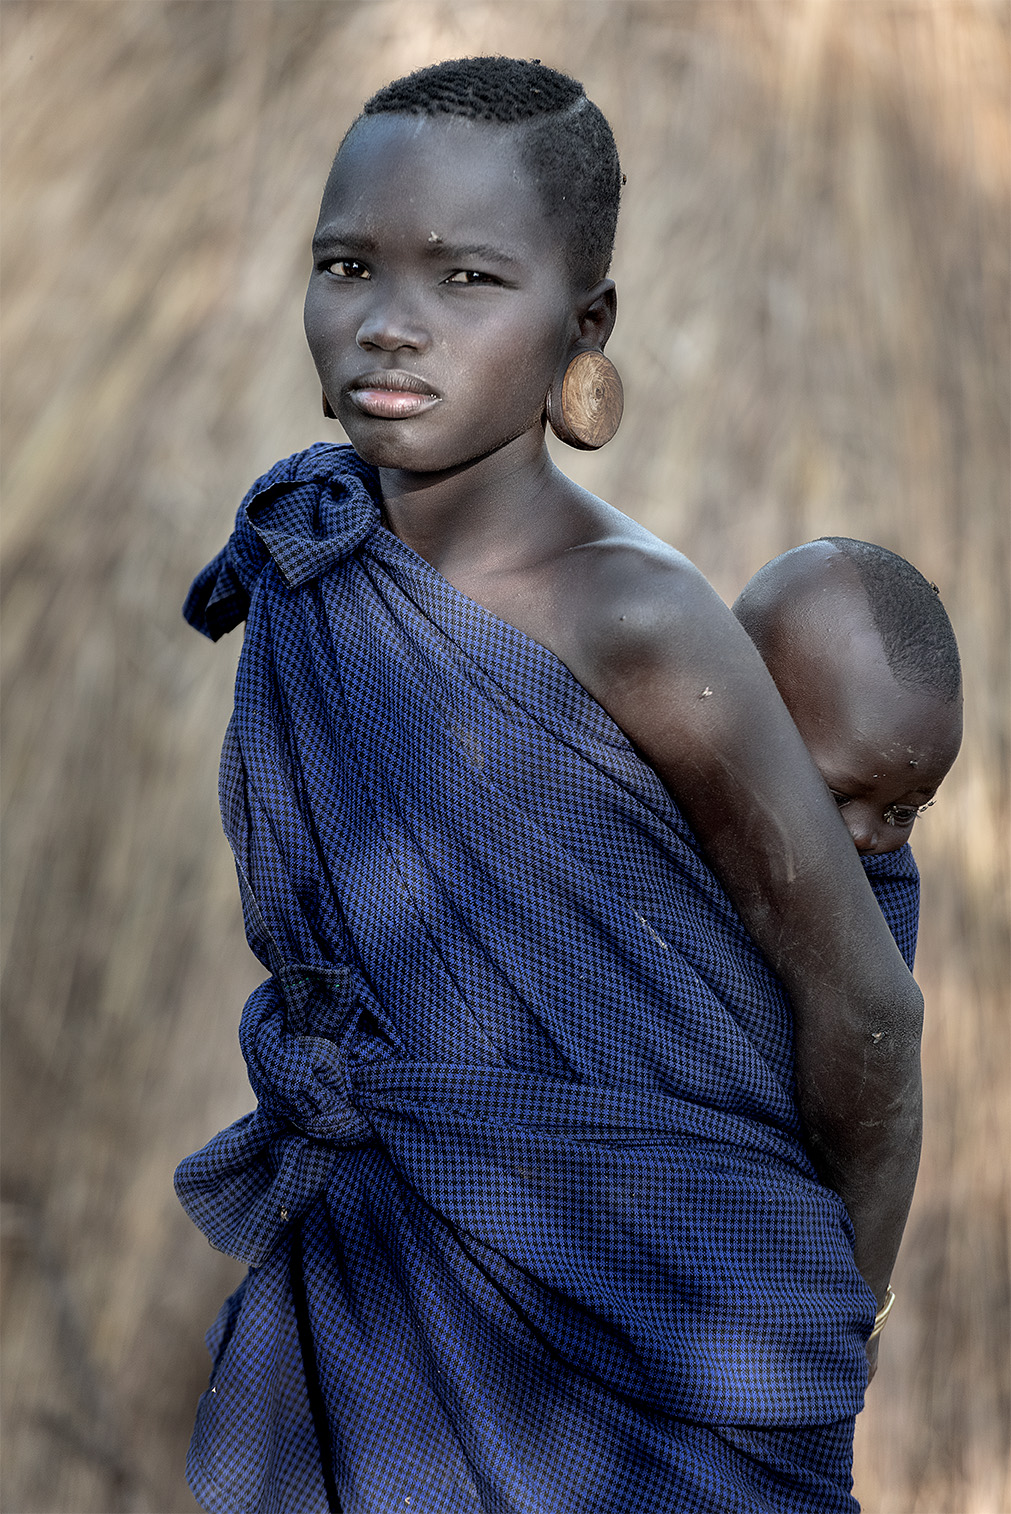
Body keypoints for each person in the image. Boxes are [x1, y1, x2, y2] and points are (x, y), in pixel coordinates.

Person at [176, 58, 929, 1514]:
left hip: (661, 1320)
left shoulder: (633, 617)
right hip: (390, 1273)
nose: (389, 320)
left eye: (467, 276)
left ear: (586, 323)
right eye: (348, 266)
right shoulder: (313, 561)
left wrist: (830, 1331)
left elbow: (864, 1006)